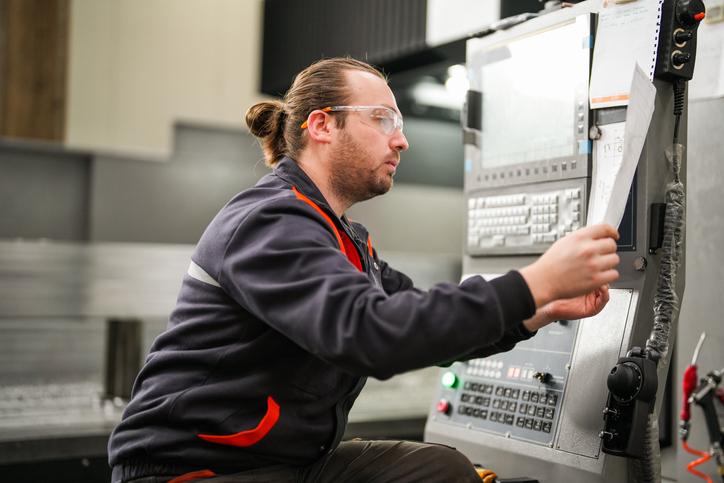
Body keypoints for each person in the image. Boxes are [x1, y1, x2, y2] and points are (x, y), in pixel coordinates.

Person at [108, 57, 620, 483]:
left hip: (286, 466)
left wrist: (538, 310)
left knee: (440, 471)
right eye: (383, 119)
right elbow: (372, 334)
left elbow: (415, 319)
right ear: (322, 125)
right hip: (197, 471)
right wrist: (535, 281)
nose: (401, 141)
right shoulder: (269, 219)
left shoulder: (342, 237)